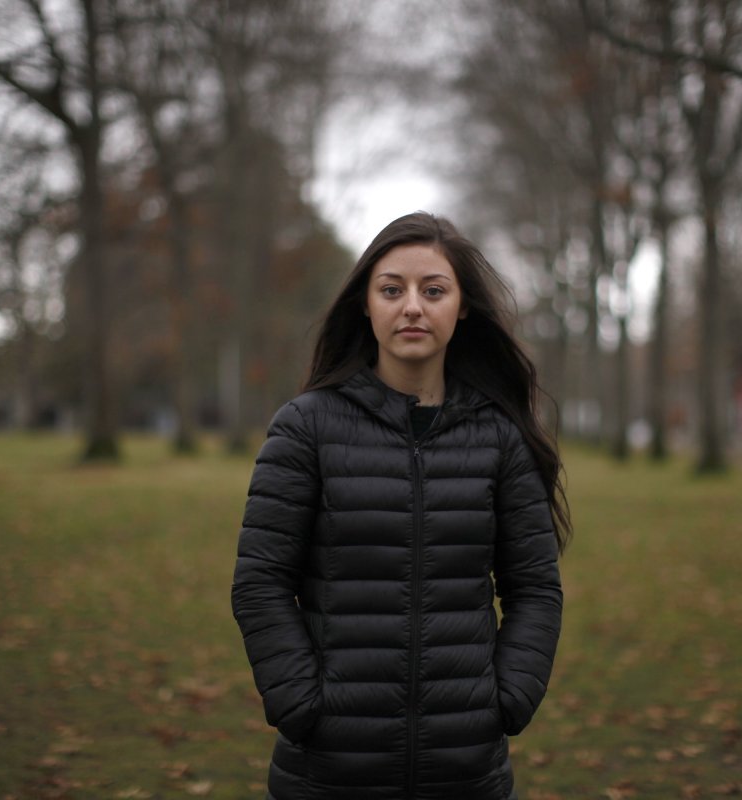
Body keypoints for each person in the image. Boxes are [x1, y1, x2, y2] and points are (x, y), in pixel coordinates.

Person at [232, 211, 569, 800]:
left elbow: (535, 587)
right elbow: (259, 582)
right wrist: (301, 705)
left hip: (466, 770)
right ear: (366, 304)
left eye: (433, 290)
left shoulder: (499, 437)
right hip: (327, 771)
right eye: (392, 289)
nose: (412, 306)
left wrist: (507, 700)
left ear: (461, 307)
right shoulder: (305, 428)